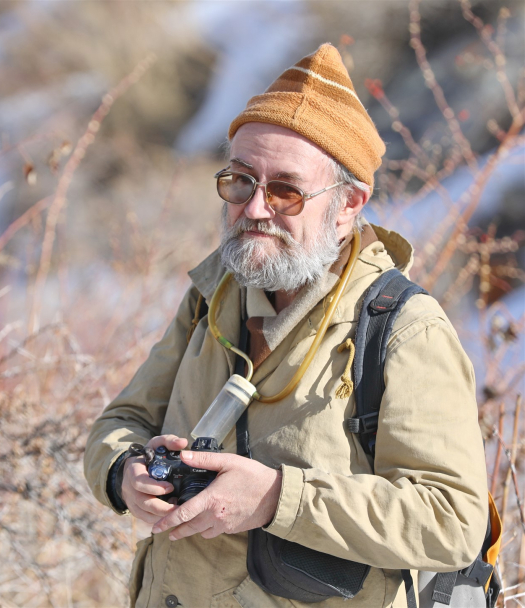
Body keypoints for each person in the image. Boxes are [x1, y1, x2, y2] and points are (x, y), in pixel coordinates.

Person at [83, 43, 488, 608]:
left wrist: (277, 498)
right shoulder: (211, 295)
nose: (254, 209)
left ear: (349, 205)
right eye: (240, 181)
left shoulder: (403, 329)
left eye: (286, 191)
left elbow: (451, 522)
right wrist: (125, 472)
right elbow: (121, 422)